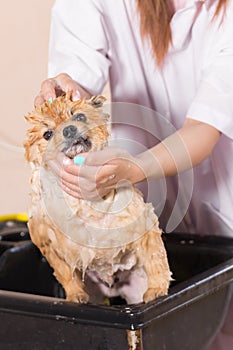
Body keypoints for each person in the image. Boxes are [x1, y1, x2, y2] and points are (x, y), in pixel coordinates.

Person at [35, 0, 233, 349]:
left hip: (224, 210)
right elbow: (75, 77)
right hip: (138, 212)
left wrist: (135, 168)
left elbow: (204, 128)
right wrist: (67, 90)